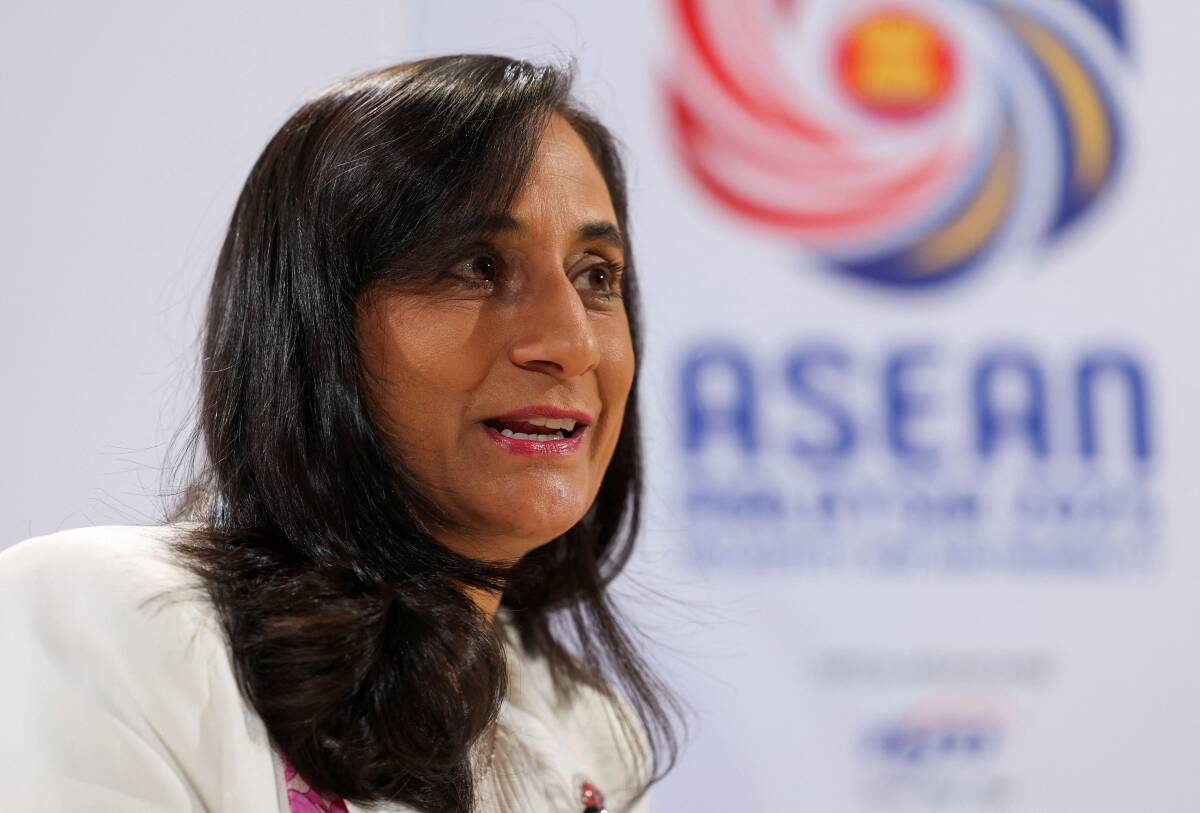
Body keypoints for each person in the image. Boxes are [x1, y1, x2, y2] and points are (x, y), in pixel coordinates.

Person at [0, 54, 684, 812]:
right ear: (314, 326)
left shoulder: (585, 730)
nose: (571, 343)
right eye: (478, 266)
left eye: (596, 275)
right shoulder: (110, 625)